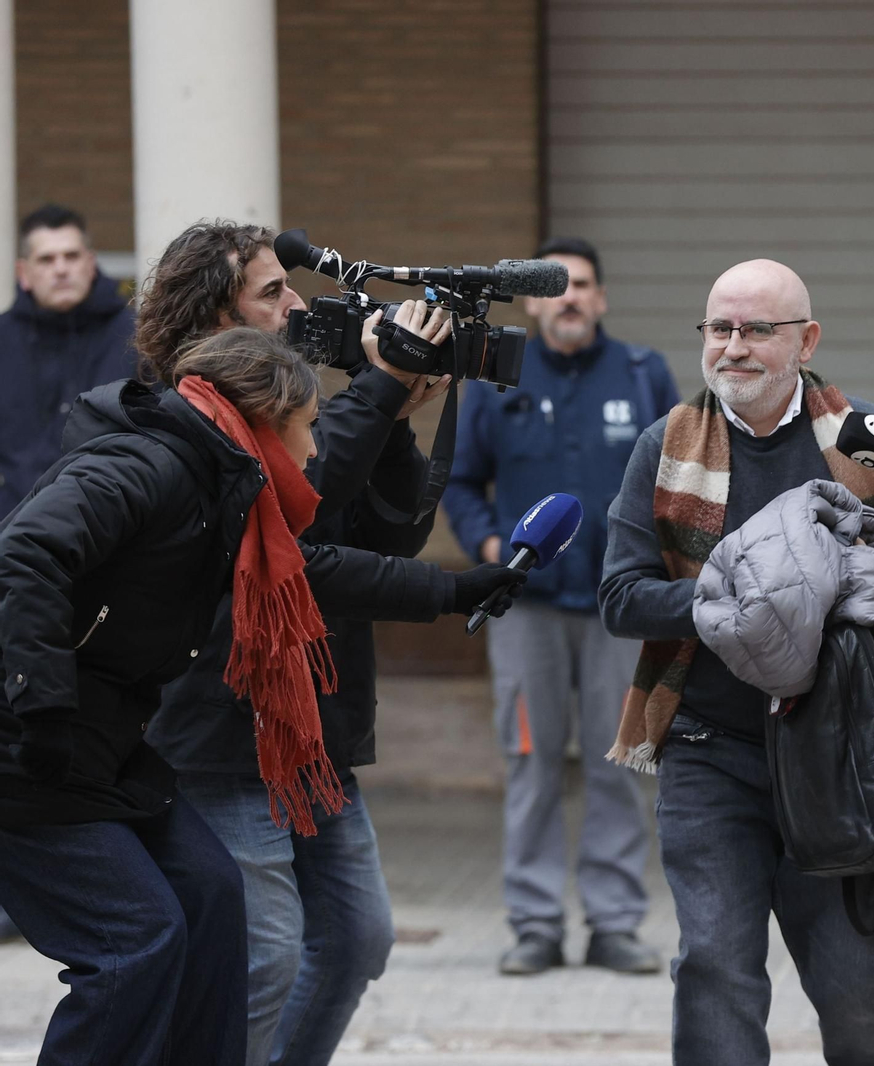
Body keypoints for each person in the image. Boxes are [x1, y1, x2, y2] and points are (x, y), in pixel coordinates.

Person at [0, 329, 526, 1066]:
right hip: (30, 752)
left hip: (108, 746)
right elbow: (25, 552)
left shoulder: (219, 481)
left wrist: (452, 590)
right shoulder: (144, 463)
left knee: (215, 901)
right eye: (308, 428)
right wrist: (42, 705)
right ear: (261, 418)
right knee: (137, 942)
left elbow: (309, 572)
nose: (315, 451)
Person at [599, 259, 874, 1066]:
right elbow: (621, 598)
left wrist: (838, 586)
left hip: (843, 756)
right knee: (716, 970)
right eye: (719, 328)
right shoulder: (665, 447)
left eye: (756, 329)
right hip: (708, 753)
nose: (733, 347)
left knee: (860, 991)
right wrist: (742, 604)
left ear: (806, 341)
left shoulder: (864, 438)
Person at [135, 219, 454, 1066]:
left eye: (291, 285)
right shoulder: (183, 417)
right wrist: (378, 391)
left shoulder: (301, 407)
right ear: (214, 317)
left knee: (357, 940)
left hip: (315, 728)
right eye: (271, 292)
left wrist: (394, 416)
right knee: (264, 954)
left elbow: (384, 545)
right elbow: (289, 504)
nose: (296, 306)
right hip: (225, 731)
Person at [444, 237, 678, 976]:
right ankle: (536, 924)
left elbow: (680, 484)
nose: (569, 297)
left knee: (619, 766)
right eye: (555, 286)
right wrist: (488, 553)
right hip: (528, 614)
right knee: (532, 765)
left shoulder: (643, 377)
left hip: (620, 613)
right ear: (533, 301)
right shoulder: (495, 381)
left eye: (581, 285)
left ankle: (614, 924)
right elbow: (458, 482)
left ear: (601, 298)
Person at [0, 203, 137, 520]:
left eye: (72, 256)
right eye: (46, 259)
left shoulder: (137, 337)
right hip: (15, 530)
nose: (61, 269)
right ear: (24, 273)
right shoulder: (3, 341)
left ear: (91, 264)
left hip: (114, 528)